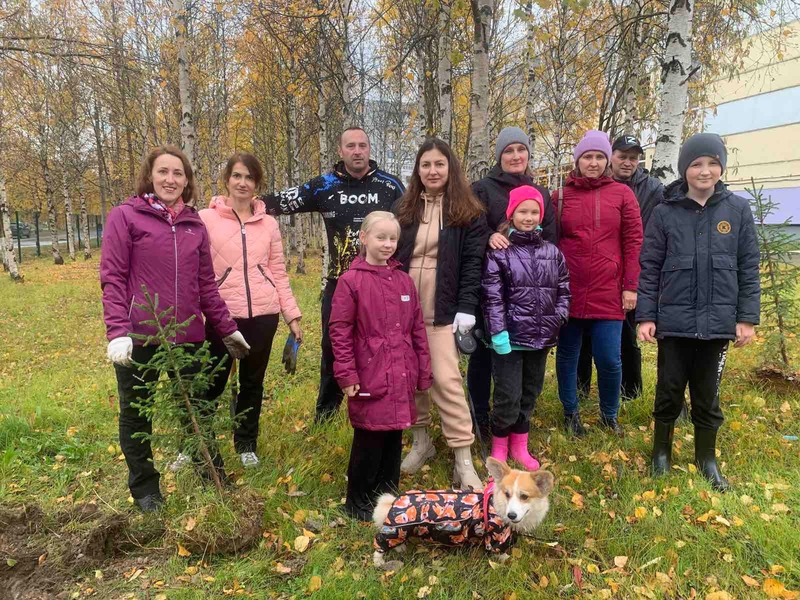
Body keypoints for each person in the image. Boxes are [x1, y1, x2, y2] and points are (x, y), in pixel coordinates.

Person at [100, 145, 250, 512]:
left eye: (178, 173)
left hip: (188, 337)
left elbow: (205, 285)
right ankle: (146, 491)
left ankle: (210, 475)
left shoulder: (194, 225)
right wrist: (118, 330)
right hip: (140, 338)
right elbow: (113, 278)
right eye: (163, 172)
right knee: (137, 414)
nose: (171, 179)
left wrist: (227, 329)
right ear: (149, 175)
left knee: (196, 410)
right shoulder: (126, 217)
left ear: (187, 180)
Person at [637, 133, 759, 491]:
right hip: (673, 324)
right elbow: (650, 267)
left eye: (711, 163)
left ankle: (707, 458)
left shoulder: (737, 210)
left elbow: (748, 265)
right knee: (669, 389)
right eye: (696, 164)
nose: (704, 171)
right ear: (684, 169)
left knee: (707, 395)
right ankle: (661, 453)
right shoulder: (664, 212)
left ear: (721, 167)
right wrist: (646, 316)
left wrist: (746, 318)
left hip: (718, 324)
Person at [261, 127, 405, 423]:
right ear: (340, 151)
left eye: (362, 145)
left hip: (381, 284)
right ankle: (325, 416)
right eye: (350, 146)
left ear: (369, 149)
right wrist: (237, 204)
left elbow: (418, 220)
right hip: (340, 284)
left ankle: (380, 411)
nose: (357, 151)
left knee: (380, 348)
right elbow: (278, 202)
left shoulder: (390, 186)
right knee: (333, 348)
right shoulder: (324, 185)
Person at [393, 138, 488, 490]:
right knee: (409, 376)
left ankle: (463, 459)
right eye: (426, 165)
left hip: (443, 306)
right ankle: (422, 443)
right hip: (403, 304)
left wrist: (466, 309)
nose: (433, 171)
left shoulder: (468, 212)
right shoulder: (403, 208)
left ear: (451, 169)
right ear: (418, 171)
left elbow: (472, 265)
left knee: (446, 381)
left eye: (439, 164)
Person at [197, 153, 302, 469]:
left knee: (252, 382)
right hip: (221, 316)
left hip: (263, 315)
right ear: (227, 179)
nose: (243, 183)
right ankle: (194, 445)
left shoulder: (268, 223)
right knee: (210, 382)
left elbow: (278, 270)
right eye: (237, 176)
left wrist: (292, 315)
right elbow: (196, 271)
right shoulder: (205, 219)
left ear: (258, 184)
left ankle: (246, 443)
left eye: (250, 178)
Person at [329, 211, 432, 520]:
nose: (388, 244)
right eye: (381, 237)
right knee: (369, 437)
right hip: (369, 374)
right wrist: (346, 373)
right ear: (363, 238)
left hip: (401, 373)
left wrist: (423, 370)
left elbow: (416, 329)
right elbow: (339, 330)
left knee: (393, 436)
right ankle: (357, 502)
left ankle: (387, 495)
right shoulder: (351, 282)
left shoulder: (403, 281)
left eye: (393, 239)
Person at [468, 127, 558, 437]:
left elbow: (550, 241)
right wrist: (490, 235)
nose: (516, 156)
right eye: (509, 150)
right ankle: (479, 417)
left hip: (529, 294)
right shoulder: (481, 189)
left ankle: (515, 421)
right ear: (499, 156)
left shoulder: (541, 192)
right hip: (490, 289)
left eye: (521, 150)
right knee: (483, 355)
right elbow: (471, 229)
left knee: (523, 363)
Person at [553, 130, 643, 437]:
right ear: (578, 160)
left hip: (609, 289)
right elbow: (548, 241)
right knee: (568, 354)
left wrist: (630, 285)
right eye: (587, 157)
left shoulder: (623, 195)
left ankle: (609, 415)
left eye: (599, 157)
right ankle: (570, 412)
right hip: (569, 290)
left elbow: (633, 242)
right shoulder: (561, 196)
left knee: (609, 357)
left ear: (607, 161)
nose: (593, 163)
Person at [482, 186, 570, 468]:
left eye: (534, 211)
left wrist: (559, 317)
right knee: (508, 395)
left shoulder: (552, 252)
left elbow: (564, 289)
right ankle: (499, 448)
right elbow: (492, 296)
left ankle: (520, 445)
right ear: (512, 214)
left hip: (541, 337)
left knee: (530, 392)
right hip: (509, 338)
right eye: (523, 211)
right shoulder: (500, 253)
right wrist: (498, 332)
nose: (529, 217)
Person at [576, 135, 665, 402]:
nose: (627, 162)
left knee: (627, 335)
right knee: (585, 336)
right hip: (599, 272)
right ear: (610, 157)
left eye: (633, 157)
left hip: (635, 271)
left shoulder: (652, 189)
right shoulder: (597, 185)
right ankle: (581, 389)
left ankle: (631, 391)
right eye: (622, 156)